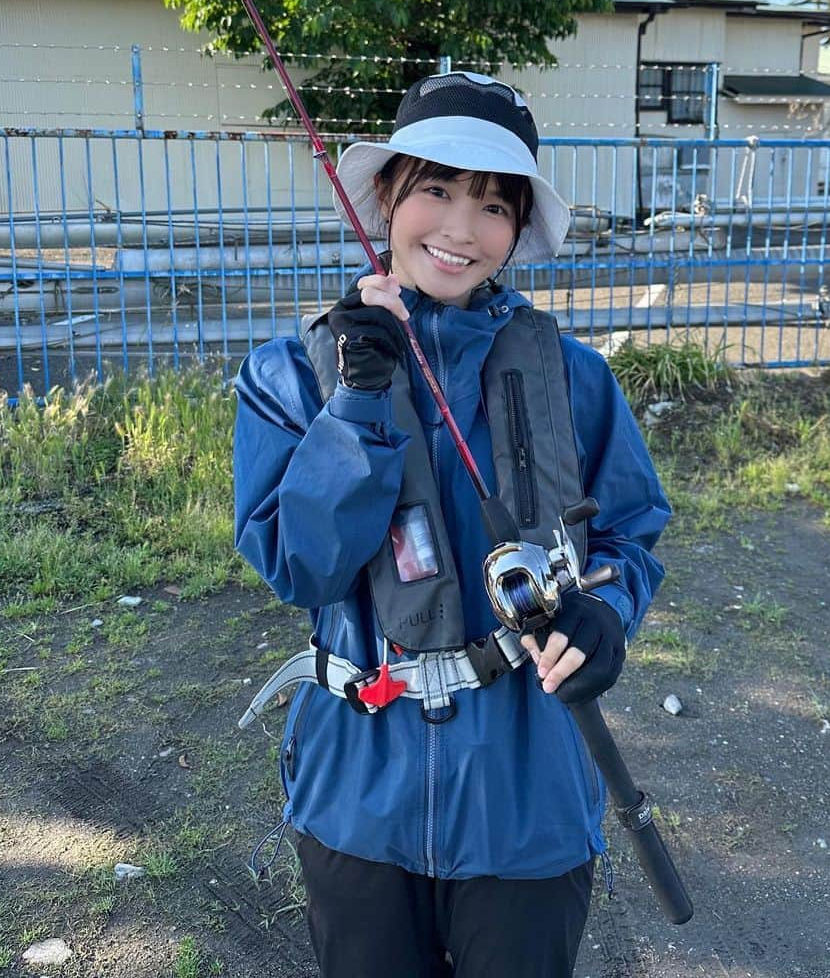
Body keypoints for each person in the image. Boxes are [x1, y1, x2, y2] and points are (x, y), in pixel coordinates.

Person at [233, 71, 671, 978]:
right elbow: (298, 566)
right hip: (356, 797)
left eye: (494, 204)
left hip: (530, 805)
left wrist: (607, 613)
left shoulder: (578, 376)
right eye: (435, 188)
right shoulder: (290, 374)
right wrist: (356, 406)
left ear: (517, 230)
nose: (460, 230)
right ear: (386, 195)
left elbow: (630, 533)